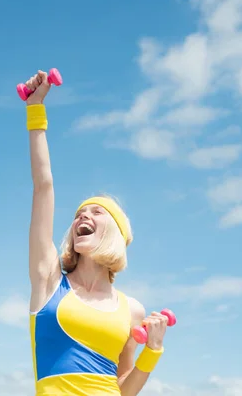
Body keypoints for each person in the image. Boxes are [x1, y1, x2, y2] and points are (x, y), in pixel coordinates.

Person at [24, 69, 169, 396]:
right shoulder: (49, 280)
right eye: (78, 215)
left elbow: (124, 388)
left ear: (115, 233)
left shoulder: (132, 310)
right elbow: (43, 187)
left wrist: (154, 350)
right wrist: (36, 110)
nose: (82, 217)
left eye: (95, 212)